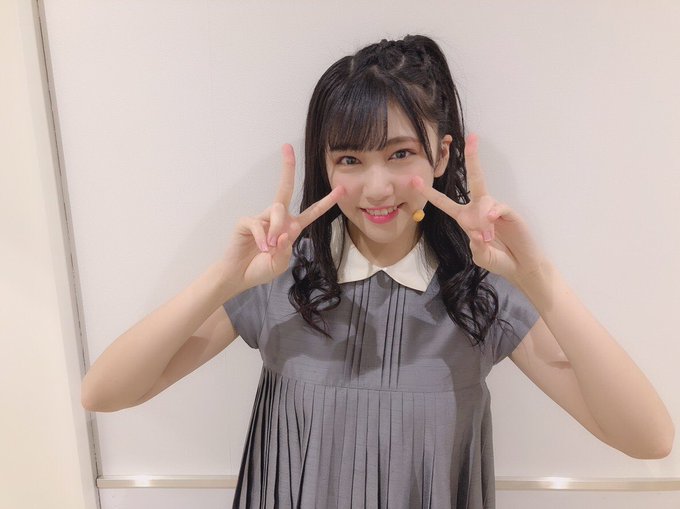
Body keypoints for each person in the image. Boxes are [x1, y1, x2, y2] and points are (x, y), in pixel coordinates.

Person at [81, 35, 674, 508]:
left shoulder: (478, 294)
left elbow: (648, 438)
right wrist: (223, 279)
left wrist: (539, 278)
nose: (377, 187)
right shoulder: (282, 282)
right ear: (325, 166)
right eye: (350, 159)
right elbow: (104, 392)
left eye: (400, 154)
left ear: (442, 155)